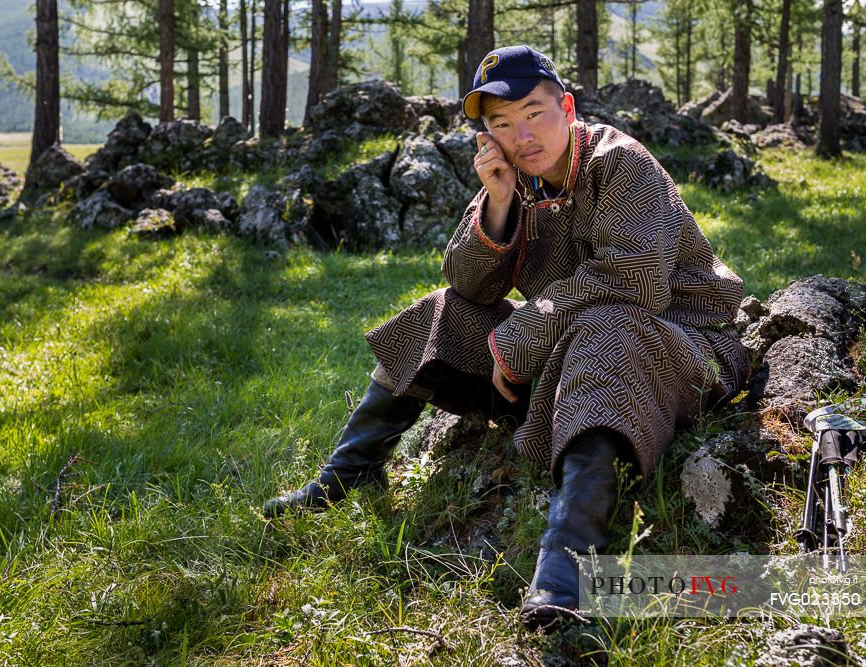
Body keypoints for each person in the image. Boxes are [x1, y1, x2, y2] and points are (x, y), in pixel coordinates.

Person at [263, 44, 750, 629]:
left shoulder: (622, 164)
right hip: (574, 355)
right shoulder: (515, 180)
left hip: (686, 346)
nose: (523, 135)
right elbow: (467, 281)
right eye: (501, 123)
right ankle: (347, 472)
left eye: (534, 112)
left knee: (608, 329)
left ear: (566, 107)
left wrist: (520, 336)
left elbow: (635, 280)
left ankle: (564, 574)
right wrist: (496, 203)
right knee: (442, 313)